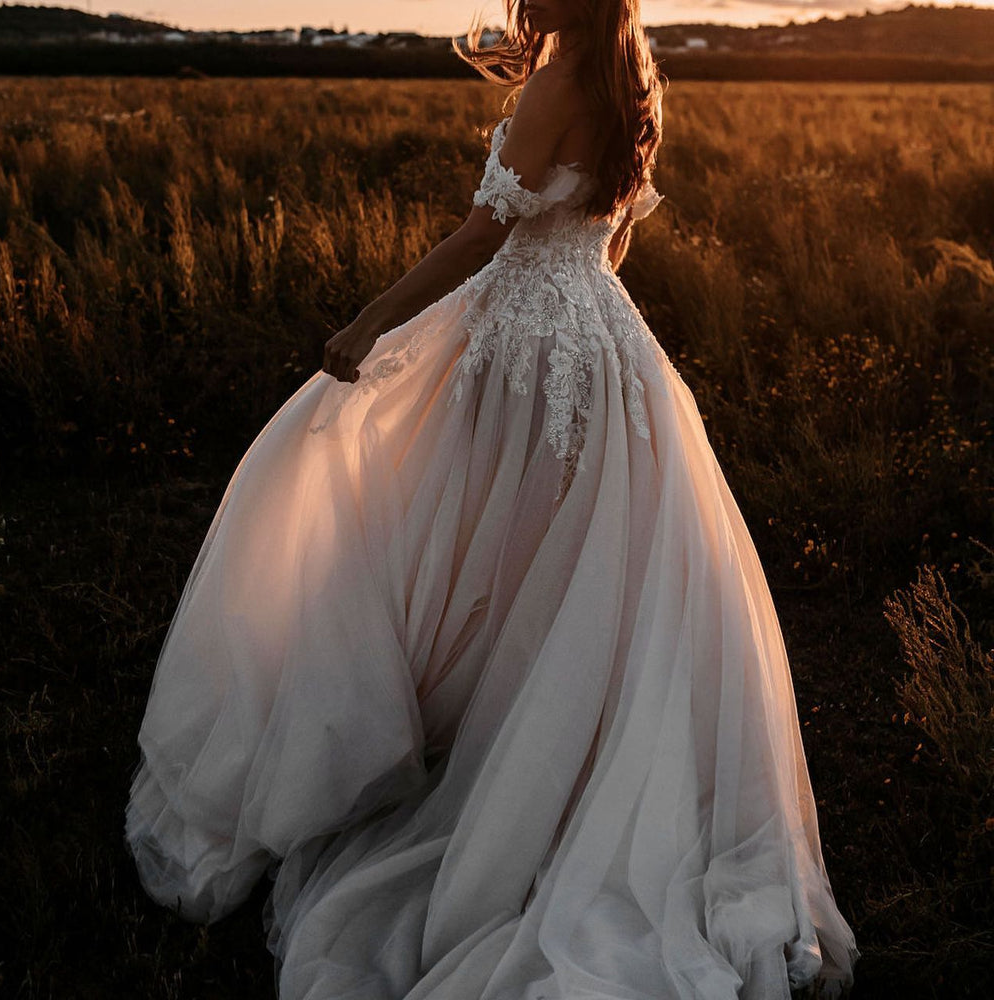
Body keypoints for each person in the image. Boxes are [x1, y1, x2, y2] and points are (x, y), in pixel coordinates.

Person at [125, 0, 861, 997]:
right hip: (601, 336)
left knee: (474, 550)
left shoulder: (562, 80)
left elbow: (481, 232)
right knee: (553, 567)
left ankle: (476, 764)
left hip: (529, 343)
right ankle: (526, 744)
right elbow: (608, 242)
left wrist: (371, 323)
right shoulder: (632, 79)